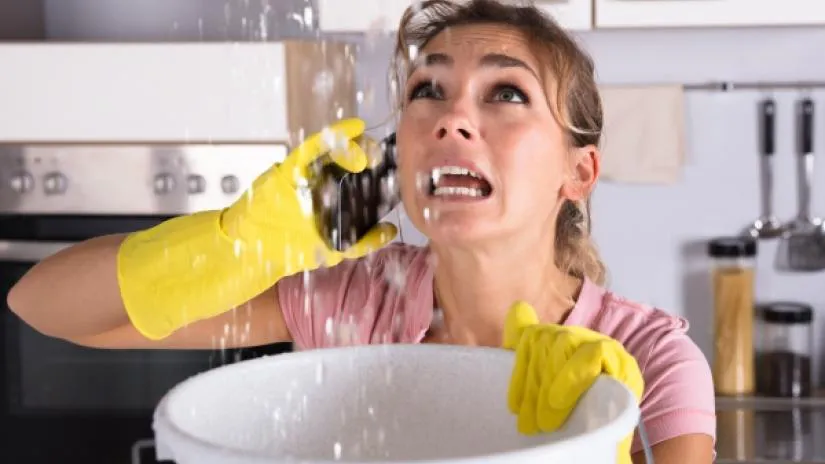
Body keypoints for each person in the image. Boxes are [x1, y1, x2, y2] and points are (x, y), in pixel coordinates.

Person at [7, 0, 715, 462]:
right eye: (425, 90)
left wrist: (600, 436)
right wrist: (232, 245)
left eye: (506, 93)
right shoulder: (354, 303)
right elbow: (45, 307)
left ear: (579, 171)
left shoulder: (643, 359)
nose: (451, 117)